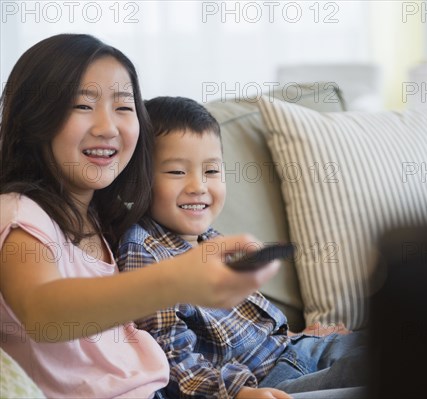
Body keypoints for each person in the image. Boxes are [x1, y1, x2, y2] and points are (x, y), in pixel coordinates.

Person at [0, 34, 280, 398]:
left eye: (124, 107)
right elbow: (43, 313)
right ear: (34, 117)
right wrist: (175, 279)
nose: (108, 127)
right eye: (83, 105)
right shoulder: (19, 212)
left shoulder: (102, 223)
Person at [117, 96, 368, 399]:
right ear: (137, 178)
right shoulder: (143, 250)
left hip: (292, 350)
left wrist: (299, 335)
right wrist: (238, 394)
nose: (199, 186)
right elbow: (172, 359)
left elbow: (249, 319)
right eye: (176, 172)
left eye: (211, 171)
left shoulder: (209, 237)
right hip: (262, 382)